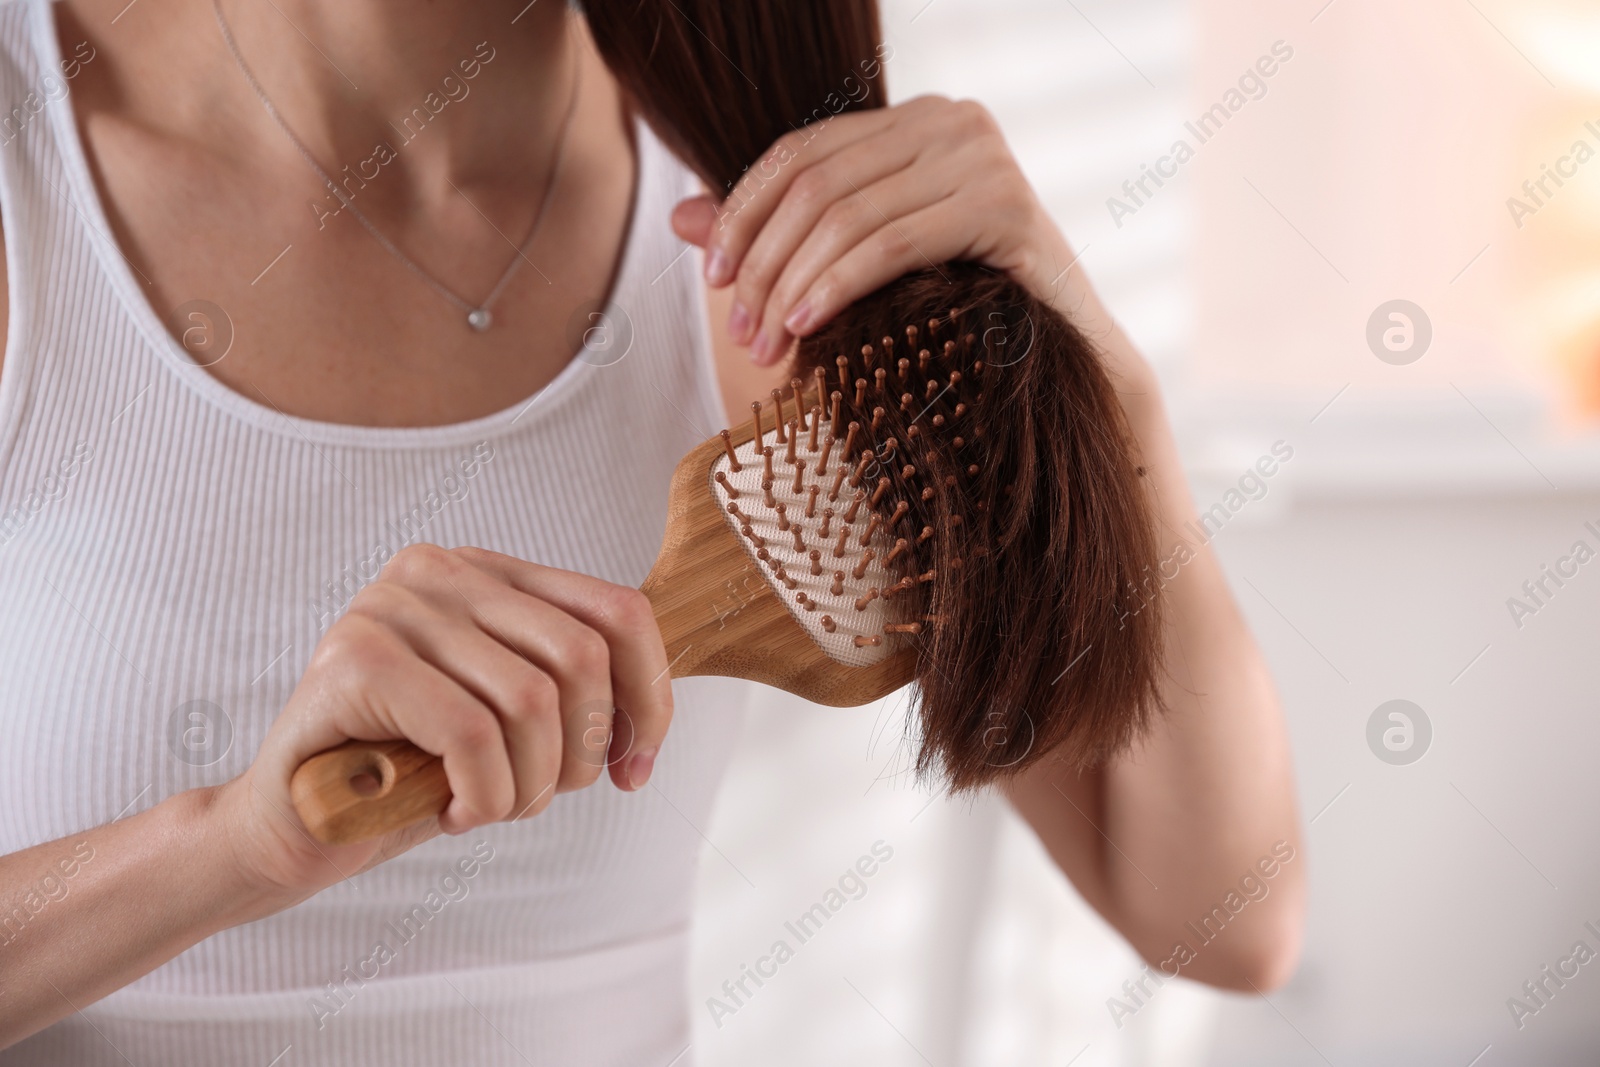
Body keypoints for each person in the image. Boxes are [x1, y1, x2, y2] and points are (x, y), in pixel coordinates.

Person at [0, 0, 1304, 1063]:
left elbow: (1220, 920)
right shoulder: (33, 157)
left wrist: (1108, 390)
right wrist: (237, 849)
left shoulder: (751, 242)